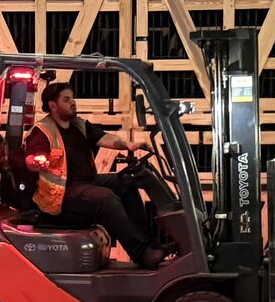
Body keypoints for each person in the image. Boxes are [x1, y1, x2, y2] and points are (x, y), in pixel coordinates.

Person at [23, 80, 177, 269]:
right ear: (53, 105)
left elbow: (103, 137)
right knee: (106, 198)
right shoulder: (43, 131)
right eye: (67, 99)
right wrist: (37, 160)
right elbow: (31, 157)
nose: (73, 102)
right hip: (60, 195)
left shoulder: (78, 125)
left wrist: (128, 145)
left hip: (86, 183)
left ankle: (149, 245)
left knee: (127, 181)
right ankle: (141, 253)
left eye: (73, 98)